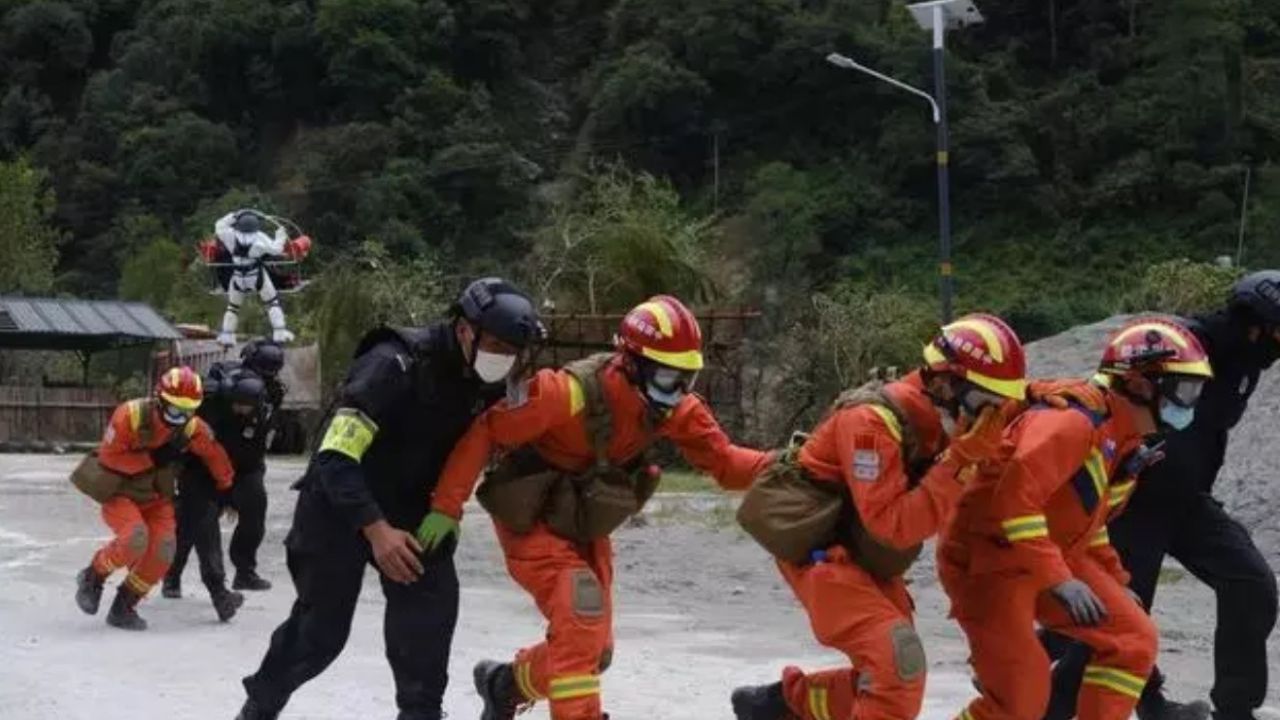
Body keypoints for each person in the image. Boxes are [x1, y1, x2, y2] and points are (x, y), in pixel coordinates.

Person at [420, 295, 774, 720]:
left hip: (583, 525)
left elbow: (727, 464)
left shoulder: (672, 409)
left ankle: (506, 685)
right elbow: (486, 431)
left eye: (688, 379)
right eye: (668, 378)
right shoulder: (566, 394)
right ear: (633, 364)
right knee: (581, 615)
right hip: (530, 519)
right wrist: (446, 506)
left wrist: (798, 463)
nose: (678, 392)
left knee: (594, 651)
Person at [235, 278, 543, 720]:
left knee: (427, 628)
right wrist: (376, 530)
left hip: (414, 510)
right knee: (319, 635)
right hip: (338, 506)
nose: (504, 357)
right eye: (496, 343)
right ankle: (259, 707)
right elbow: (334, 455)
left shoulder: (487, 381)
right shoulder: (393, 364)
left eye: (513, 349)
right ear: (464, 329)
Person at [730, 314, 1029, 720]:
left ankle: (781, 704)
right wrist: (958, 463)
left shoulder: (950, 414)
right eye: (986, 404)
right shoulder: (870, 423)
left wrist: (1053, 396)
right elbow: (893, 526)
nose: (992, 416)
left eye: (1001, 405)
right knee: (897, 661)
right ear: (944, 381)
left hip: (863, 559)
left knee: (889, 675)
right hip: (826, 556)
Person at [940, 318, 1214, 720]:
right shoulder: (1071, 423)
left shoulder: (1119, 436)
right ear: (1140, 384)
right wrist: (1060, 581)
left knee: (1133, 640)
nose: (1191, 403)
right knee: (1020, 699)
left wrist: (1116, 582)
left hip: (1044, 554)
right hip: (989, 560)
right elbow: (1014, 502)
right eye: (1185, 390)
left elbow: (1086, 524)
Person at [1045, 271, 1280, 720]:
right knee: (1119, 618)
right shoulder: (1180, 348)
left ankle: (1235, 708)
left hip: (1189, 500)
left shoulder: (1247, 365)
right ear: (1256, 323)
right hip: (1137, 500)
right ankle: (1046, 701)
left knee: (1252, 584)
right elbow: (1114, 393)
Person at [72, 366, 235, 631]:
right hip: (120, 492)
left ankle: (124, 606)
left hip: (156, 497)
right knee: (134, 539)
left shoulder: (190, 427)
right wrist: (153, 458)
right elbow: (110, 457)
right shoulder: (130, 416)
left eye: (187, 412)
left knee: (163, 551)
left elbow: (214, 454)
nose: (179, 418)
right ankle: (93, 577)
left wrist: (227, 487)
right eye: (174, 411)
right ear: (159, 400)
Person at [173, 338, 286, 593]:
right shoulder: (216, 387)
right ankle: (173, 575)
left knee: (255, 514)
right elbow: (188, 422)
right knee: (194, 522)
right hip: (204, 466)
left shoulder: (272, 394)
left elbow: (262, 433)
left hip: (247, 465)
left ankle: (245, 572)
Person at [162, 371, 270, 621]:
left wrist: (229, 494)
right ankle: (176, 578)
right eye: (237, 404)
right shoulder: (204, 411)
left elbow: (248, 457)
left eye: (246, 406)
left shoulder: (260, 415)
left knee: (207, 529)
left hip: (227, 473)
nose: (240, 410)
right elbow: (188, 451)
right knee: (194, 528)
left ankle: (225, 590)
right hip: (197, 474)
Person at [214, 209, 294, 346]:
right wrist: (280, 235)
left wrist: (235, 215)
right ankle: (280, 332)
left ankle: (227, 335)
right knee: (272, 302)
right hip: (256, 276)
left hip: (238, 277)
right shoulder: (259, 237)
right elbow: (276, 249)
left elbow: (219, 225)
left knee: (233, 307)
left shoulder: (230, 235)